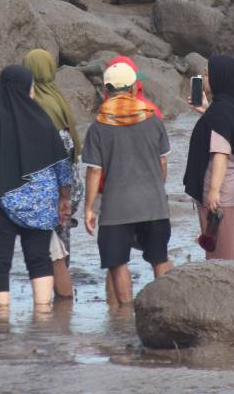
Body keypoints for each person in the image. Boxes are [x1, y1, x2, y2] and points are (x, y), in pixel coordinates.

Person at [0, 66, 71, 309]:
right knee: (39, 260)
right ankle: (42, 315)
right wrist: (64, 198)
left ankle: (0, 321)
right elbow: (63, 165)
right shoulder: (42, 121)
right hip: (40, 205)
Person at [83, 62, 173, 306]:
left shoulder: (99, 125)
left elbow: (93, 171)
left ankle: (124, 317)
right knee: (159, 258)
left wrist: (89, 208)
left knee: (117, 262)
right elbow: (162, 161)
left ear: (106, 90)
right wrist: (157, 187)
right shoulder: (152, 118)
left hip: (116, 208)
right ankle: (163, 308)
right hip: (154, 204)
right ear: (133, 87)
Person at [23, 49, 82, 299]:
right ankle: (61, 300)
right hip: (70, 182)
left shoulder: (36, 103)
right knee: (61, 244)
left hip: (55, 187)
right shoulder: (58, 99)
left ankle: (57, 302)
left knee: (51, 250)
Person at [184, 55, 234, 262]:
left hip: (223, 191)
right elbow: (232, 133)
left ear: (220, 78)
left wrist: (214, 191)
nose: (205, 78)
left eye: (208, 74)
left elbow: (221, 153)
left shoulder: (221, 112)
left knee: (221, 257)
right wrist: (207, 112)